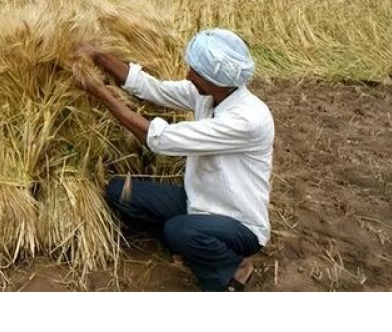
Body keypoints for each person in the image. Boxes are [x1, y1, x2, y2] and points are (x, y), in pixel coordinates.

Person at [75, 29, 274, 291]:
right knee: (119, 192)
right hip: (198, 200)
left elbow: (160, 138)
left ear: (218, 80)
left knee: (179, 231)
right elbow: (152, 88)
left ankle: (231, 271)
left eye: (196, 72)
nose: (188, 76)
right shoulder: (209, 94)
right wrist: (98, 56)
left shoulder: (247, 120)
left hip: (238, 223)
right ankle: (195, 246)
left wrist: (100, 93)